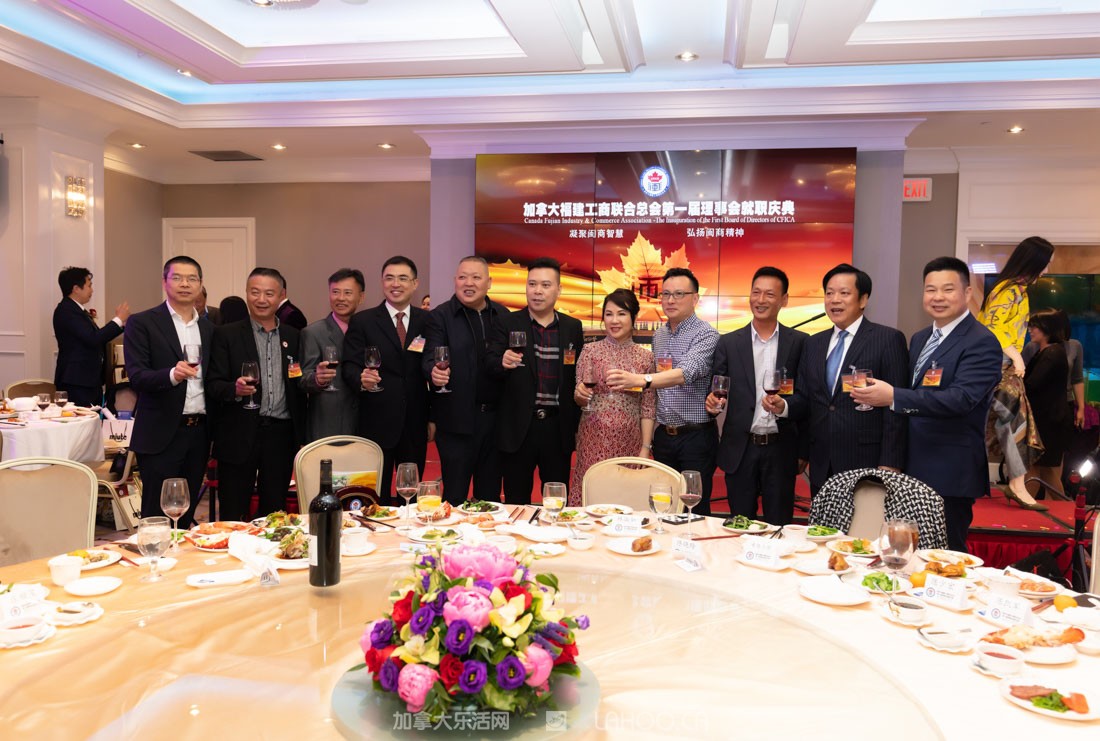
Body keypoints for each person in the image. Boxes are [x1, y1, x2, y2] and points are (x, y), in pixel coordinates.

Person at [851, 257, 1002, 552]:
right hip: (911, 467)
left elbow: (961, 399)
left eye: (948, 289)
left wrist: (894, 397)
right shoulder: (921, 338)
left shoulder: (981, 341)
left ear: (968, 292)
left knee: (942, 557)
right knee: (904, 554)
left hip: (949, 472)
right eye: (930, 289)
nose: (938, 297)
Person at [773, 263, 909, 495]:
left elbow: (896, 408)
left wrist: (890, 462)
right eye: (829, 293)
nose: (835, 300)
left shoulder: (888, 339)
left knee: (864, 521)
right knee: (823, 520)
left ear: (863, 299)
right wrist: (783, 406)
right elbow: (807, 400)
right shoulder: (813, 343)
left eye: (844, 293)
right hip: (822, 462)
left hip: (867, 462)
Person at [607, 268, 719, 516]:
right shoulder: (659, 335)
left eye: (679, 294)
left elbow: (685, 373)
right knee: (663, 506)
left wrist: (640, 380)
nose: (670, 300)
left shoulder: (706, 334)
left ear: (695, 298)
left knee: (694, 509)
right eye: (666, 294)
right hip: (665, 437)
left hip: (695, 437)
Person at [707, 267, 807, 524]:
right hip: (740, 448)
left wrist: (784, 406)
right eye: (756, 292)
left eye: (769, 294)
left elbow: (807, 397)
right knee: (740, 525)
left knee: (779, 525)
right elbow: (716, 388)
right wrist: (713, 403)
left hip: (780, 448)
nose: (760, 300)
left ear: (784, 300)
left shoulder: (800, 342)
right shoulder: (729, 343)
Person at [206, 268, 307, 520]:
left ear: (281, 296)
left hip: (280, 435)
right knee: (233, 511)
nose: (261, 299)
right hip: (238, 433)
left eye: (269, 293)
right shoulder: (226, 334)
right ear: (246, 293)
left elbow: (297, 382)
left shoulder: (293, 336)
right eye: (255, 292)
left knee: (274, 511)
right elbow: (213, 384)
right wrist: (235, 389)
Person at [123, 256, 212, 528]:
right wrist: (172, 375)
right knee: (156, 513)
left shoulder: (210, 328)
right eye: (177, 278)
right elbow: (137, 376)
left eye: (192, 279)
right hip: (160, 432)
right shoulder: (142, 323)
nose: (185, 284)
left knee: (186, 511)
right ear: (164, 282)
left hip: (199, 433)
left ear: (200, 284)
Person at [487, 257, 583, 504]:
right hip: (519, 427)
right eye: (532, 284)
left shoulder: (572, 327)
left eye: (545, 285)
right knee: (516, 500)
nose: (537, 291)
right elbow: (489, 363)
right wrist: (501, 361)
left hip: (557, 427)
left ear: (559, 289)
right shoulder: (507, 322)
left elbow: (576, 374)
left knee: (556, 501)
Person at [342, 256, 430, 504]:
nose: (395, 284)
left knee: (410, 497)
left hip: (414, 423)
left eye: (403, 278)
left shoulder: (428, 321)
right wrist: (361, 379)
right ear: (382, 282)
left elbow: (431, 368)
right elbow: (349, 365)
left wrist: (432, 417)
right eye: (389, 278)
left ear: (415, 284)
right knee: (372, 497)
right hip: (375, 422)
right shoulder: (363, 321)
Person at [976, 235, 1055, 510]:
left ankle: (1015, 484)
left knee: (1009, 423)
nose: (1047, 269)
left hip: (999, 367)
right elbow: (993, 328)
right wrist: (1016, 357)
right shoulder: (1009, 290)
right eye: (1046, 263)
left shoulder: (1016, 290)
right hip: (995, 367)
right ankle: (1016, 485)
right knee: (1014, 422)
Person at [423, 257, 507, 505]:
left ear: (489, 283)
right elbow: (429, 357)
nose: (468, 283)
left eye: (476, 277)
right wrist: (433, 371)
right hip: (455, 423)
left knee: (489, 499)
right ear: (455, 281)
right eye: (462, 277)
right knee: (454, 497)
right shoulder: (440, 316)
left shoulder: (502, 315)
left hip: (495, 422)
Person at [570, 289, 656, 506]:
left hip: (629, 442)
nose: (614, 320)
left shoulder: (645, 357)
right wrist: (580, 395)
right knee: (591, 499)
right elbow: (580, 398)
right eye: (609, 314)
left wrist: (645, 448)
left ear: (634, 317)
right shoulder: (589, 351)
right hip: (593, 439)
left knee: (625, 501)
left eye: (621, 314)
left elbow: (647, 407)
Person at [299, 268, 364, 442]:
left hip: (364, 422)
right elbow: (302, 379)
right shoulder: (313, 333)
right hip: (328, 424)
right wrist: (317, 379)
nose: (341, 298)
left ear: (361, 297)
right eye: (335, 292)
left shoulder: (368, 330)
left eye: (348, 293)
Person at [52, 266, 130, 406]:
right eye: (89, 286)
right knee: (82, 418)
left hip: (88, 380)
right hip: (76, 381)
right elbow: (93, 338)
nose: (92, 290)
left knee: (94, 417)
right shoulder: (66, 310)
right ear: (76, 288)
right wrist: (118, 319)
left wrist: (122, 325)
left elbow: (96, 337)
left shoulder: (77, 310)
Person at [1023, 309, 1074, 498]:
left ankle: (1028, 504)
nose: (1031, 330)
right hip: (1047, 419)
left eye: (1034, 327)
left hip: (1050, 421)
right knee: (1042, 470)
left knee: (1040, 468)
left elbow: (1032, 383)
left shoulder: (1052, 353)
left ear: (1047, 329)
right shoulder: (1045, 351)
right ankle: (1030, 504)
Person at [1022, 308, 1087, 433]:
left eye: (1034, 326)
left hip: (1063, 403)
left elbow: (1077, 379)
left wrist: (1081, 408)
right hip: (1038, 403)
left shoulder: (1072, 347)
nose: (1030, 330)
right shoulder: (1032, 347)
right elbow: (1025, 375)